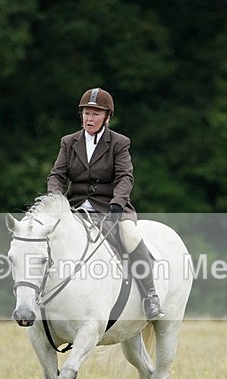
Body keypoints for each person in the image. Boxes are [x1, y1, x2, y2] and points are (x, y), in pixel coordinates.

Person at [47, 87, 164, 320]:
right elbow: (57, 176)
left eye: (96, 114)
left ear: (107, 117)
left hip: (110, 208)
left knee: (131, 235)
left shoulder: (119, 143)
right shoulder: (68, 142)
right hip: (75, 209)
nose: (89, 119)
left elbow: (125, 177)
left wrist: (117, 203)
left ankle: (150, 295)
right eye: (86, 113)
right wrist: (55, 201)